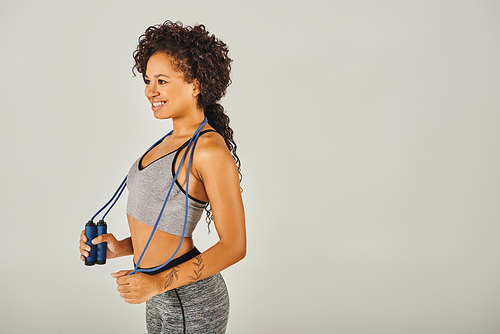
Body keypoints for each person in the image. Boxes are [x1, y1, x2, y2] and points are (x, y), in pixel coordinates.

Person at [78, 20, 246, 333]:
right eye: (147, 80)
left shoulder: (208, 149)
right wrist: (122, 247)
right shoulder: (167, 142)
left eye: (162, 81)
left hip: (191, 299)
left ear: (195, 84)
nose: (150, 90)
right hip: (157, 292)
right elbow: (166, 226)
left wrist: (157, 283)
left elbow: (234, 246)